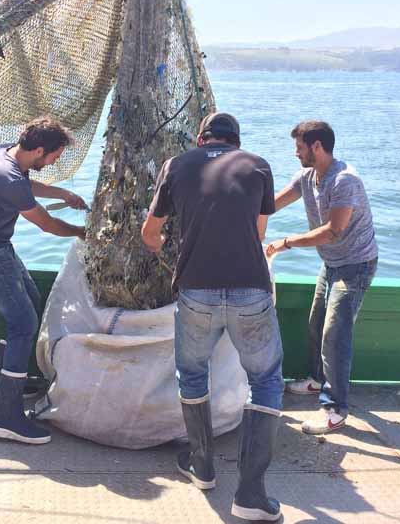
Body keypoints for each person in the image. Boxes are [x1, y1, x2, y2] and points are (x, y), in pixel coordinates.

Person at [142, 112, 284, 522]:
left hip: (195, 290)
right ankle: (251, 494)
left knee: (192, 371)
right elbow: (258, 233)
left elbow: (150, 234)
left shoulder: (176, 165)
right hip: (250, 290)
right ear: (236, 142)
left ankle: (202, 467)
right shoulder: (258, 166)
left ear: (202, 139)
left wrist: (163, 242)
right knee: (266, 380)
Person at [0, 115, 87, 445]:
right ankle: (8, 418)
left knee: (30, 301)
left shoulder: (6, 153)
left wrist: (63, 193)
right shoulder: (7, 177)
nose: (54, 162)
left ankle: (1, 384)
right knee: (24, 324)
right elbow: (47, 225)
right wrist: (85, 233)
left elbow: (27, 186)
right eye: (54, 157)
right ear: (40, 150)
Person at [267, 120, 377, 435]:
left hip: (356, 265)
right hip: (330, 264)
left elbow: (333, 231)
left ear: (317, 147)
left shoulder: (345, 181)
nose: (295, 153)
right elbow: (271, 204)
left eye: (299, 147)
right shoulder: (307, 177)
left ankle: (336, 409)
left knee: (335, 333)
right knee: (316, 324)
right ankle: (317, 381)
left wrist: (286, 242)